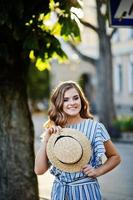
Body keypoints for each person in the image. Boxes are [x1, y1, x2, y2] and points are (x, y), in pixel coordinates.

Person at [34, 81, 121, 200]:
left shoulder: (95, 128)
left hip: (86, 191)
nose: (72, 103)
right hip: (59, 192)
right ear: (59, 103)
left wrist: (98, 171)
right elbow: (39, 170)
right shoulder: (56, 130)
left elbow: (115, 157)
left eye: (76, 98)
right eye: (66, 100)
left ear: (81, 100)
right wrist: (46, 140)